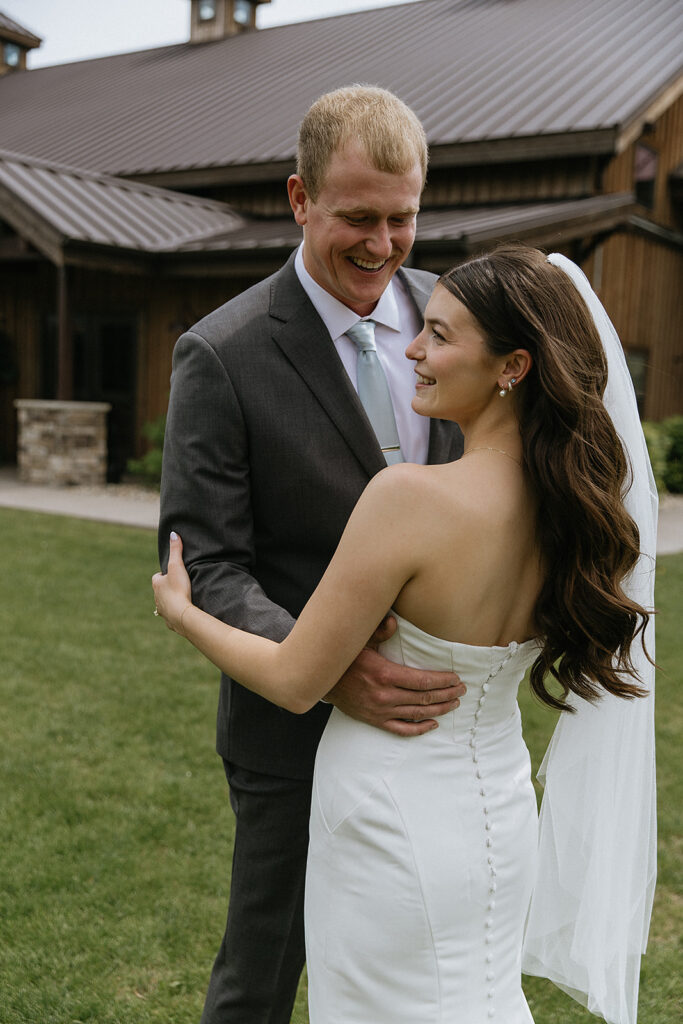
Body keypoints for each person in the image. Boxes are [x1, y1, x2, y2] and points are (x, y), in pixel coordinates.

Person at [154, 244, 657, 1024]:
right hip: (496, 807)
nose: (412, 349)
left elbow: (294, 679)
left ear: (511, 367)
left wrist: (184, 613)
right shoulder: (572, 506)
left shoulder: (410, 500)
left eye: (440, 336)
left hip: (385, 817)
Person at [158, 85, 465, 1024]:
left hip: (443, 729)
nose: (381, 245)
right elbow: (206, 565)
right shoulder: (221, 353)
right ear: (299, 200)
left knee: (415, 968)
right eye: (356, 218)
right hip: (288, 738)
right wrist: (329, 668)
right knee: (263, 977)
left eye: (402, 218)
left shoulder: (459, 327)